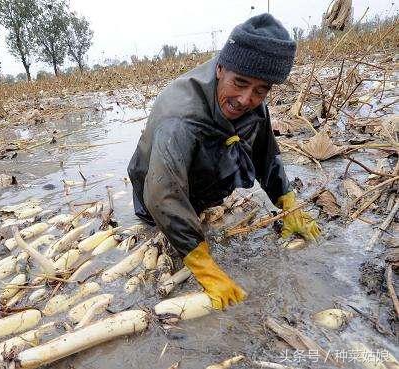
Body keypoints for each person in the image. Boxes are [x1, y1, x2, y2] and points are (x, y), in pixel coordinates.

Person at [127, 13, 320, 310]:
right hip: (156, 196)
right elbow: (161, 194)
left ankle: (198, 212)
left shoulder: (252, 98)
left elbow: (266, 154)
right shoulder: (180, 116)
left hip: (199, 189)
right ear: (220, 68)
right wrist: (206, 267)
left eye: (260, 90)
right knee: (165, 208)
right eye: (239, 84)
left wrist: (287, 203)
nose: (245, 98)